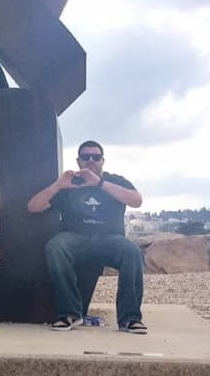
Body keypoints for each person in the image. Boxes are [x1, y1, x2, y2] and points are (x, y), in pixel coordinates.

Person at [27, 140, 147, 333]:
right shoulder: (68, 184)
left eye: (96, 157)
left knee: (132, 251)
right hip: (75, 238)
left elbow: (136, 201)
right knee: (55, 247)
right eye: (86, 157)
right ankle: (70, 314)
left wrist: (99, 183)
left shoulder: (114, 181)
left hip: (110, 239)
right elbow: (33, 207)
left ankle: (130, 318)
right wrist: (58, 185)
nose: (91, 160)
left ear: (103, 160)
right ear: (78, 161)